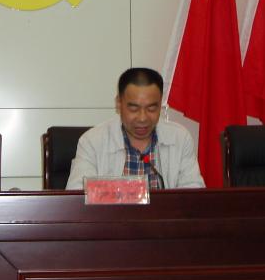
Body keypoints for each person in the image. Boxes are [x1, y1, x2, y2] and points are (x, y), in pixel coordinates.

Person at [66, 67, 205, 190]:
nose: (142, 118)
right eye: (134, 109)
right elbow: (77, 197)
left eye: (151, 108)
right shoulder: (92, 141)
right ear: (119, 103)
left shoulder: (180, 138)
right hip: (111, 213)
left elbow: (193, 195)